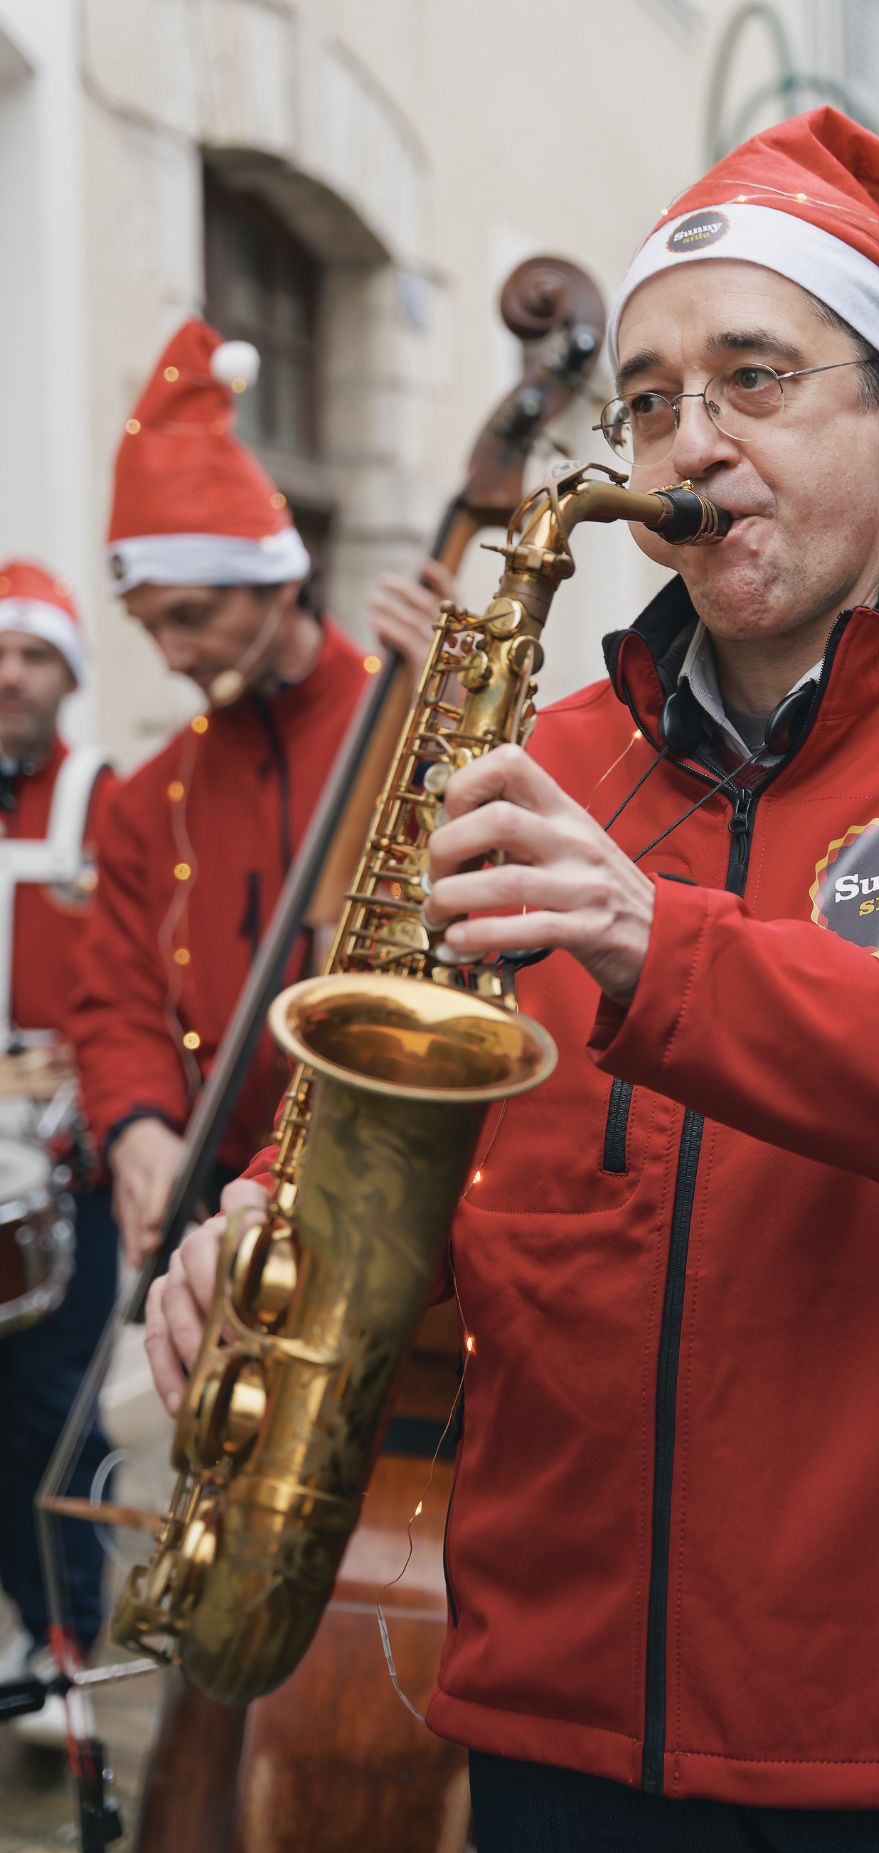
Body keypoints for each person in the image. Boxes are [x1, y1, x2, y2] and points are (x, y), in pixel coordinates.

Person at [144, 113, 879, 1853]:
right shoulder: (531, 765)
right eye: (648, 398)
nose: (690, 440)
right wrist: (274, 1221)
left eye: (754, 377)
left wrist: (674, 950)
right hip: (573, 1730)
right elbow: (383, 1118)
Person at [70, 320, 448, 1270]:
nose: (173, 655)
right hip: (227, 1203)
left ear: (277, 584)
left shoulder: (398, 722)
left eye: (192, 617)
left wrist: (441, 723)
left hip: (406, 1192)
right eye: (151, 627)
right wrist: (140, 1129)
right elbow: (116, 1002)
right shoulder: (143, 799)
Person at [0, 562, 116, 1744]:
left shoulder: (104, 796)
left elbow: (138, 974)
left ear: (69, 672)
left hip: (65, 1175)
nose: (9, 675)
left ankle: (66, 1641)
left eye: (31, 655)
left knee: (59, 1421)